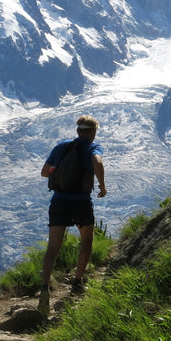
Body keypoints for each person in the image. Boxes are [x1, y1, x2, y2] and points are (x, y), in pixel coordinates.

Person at [38, 115, 107, 316]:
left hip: (59, 201)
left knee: (52, 248)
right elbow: (97, 162)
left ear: (78, 131)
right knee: (86, 240)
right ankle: (77, 282)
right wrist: (102, 185)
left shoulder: (63, 146)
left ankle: (44, 287)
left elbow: (44, 172)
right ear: (93, 132)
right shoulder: (93, 147)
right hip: (81, 202)